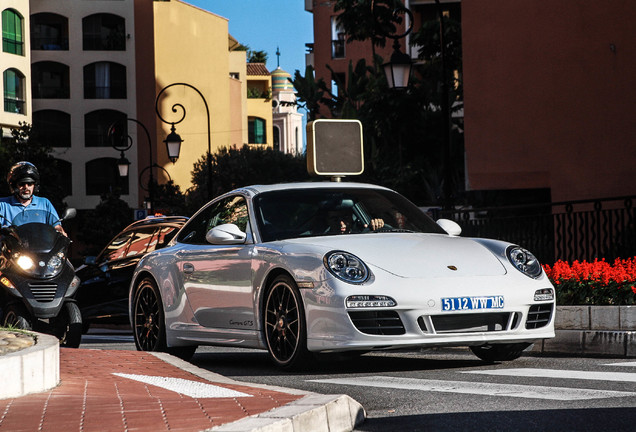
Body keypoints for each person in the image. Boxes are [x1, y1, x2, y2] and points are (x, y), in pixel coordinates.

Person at [0, 161, 67, 236]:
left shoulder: (44, 203)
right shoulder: (2, 205)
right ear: (15, 186)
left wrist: (60, 232)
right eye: (22, 184)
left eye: (29, 184)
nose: (26, 187)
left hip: (41, 246)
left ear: (34, 186)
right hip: (11, 247)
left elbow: (56, 226)